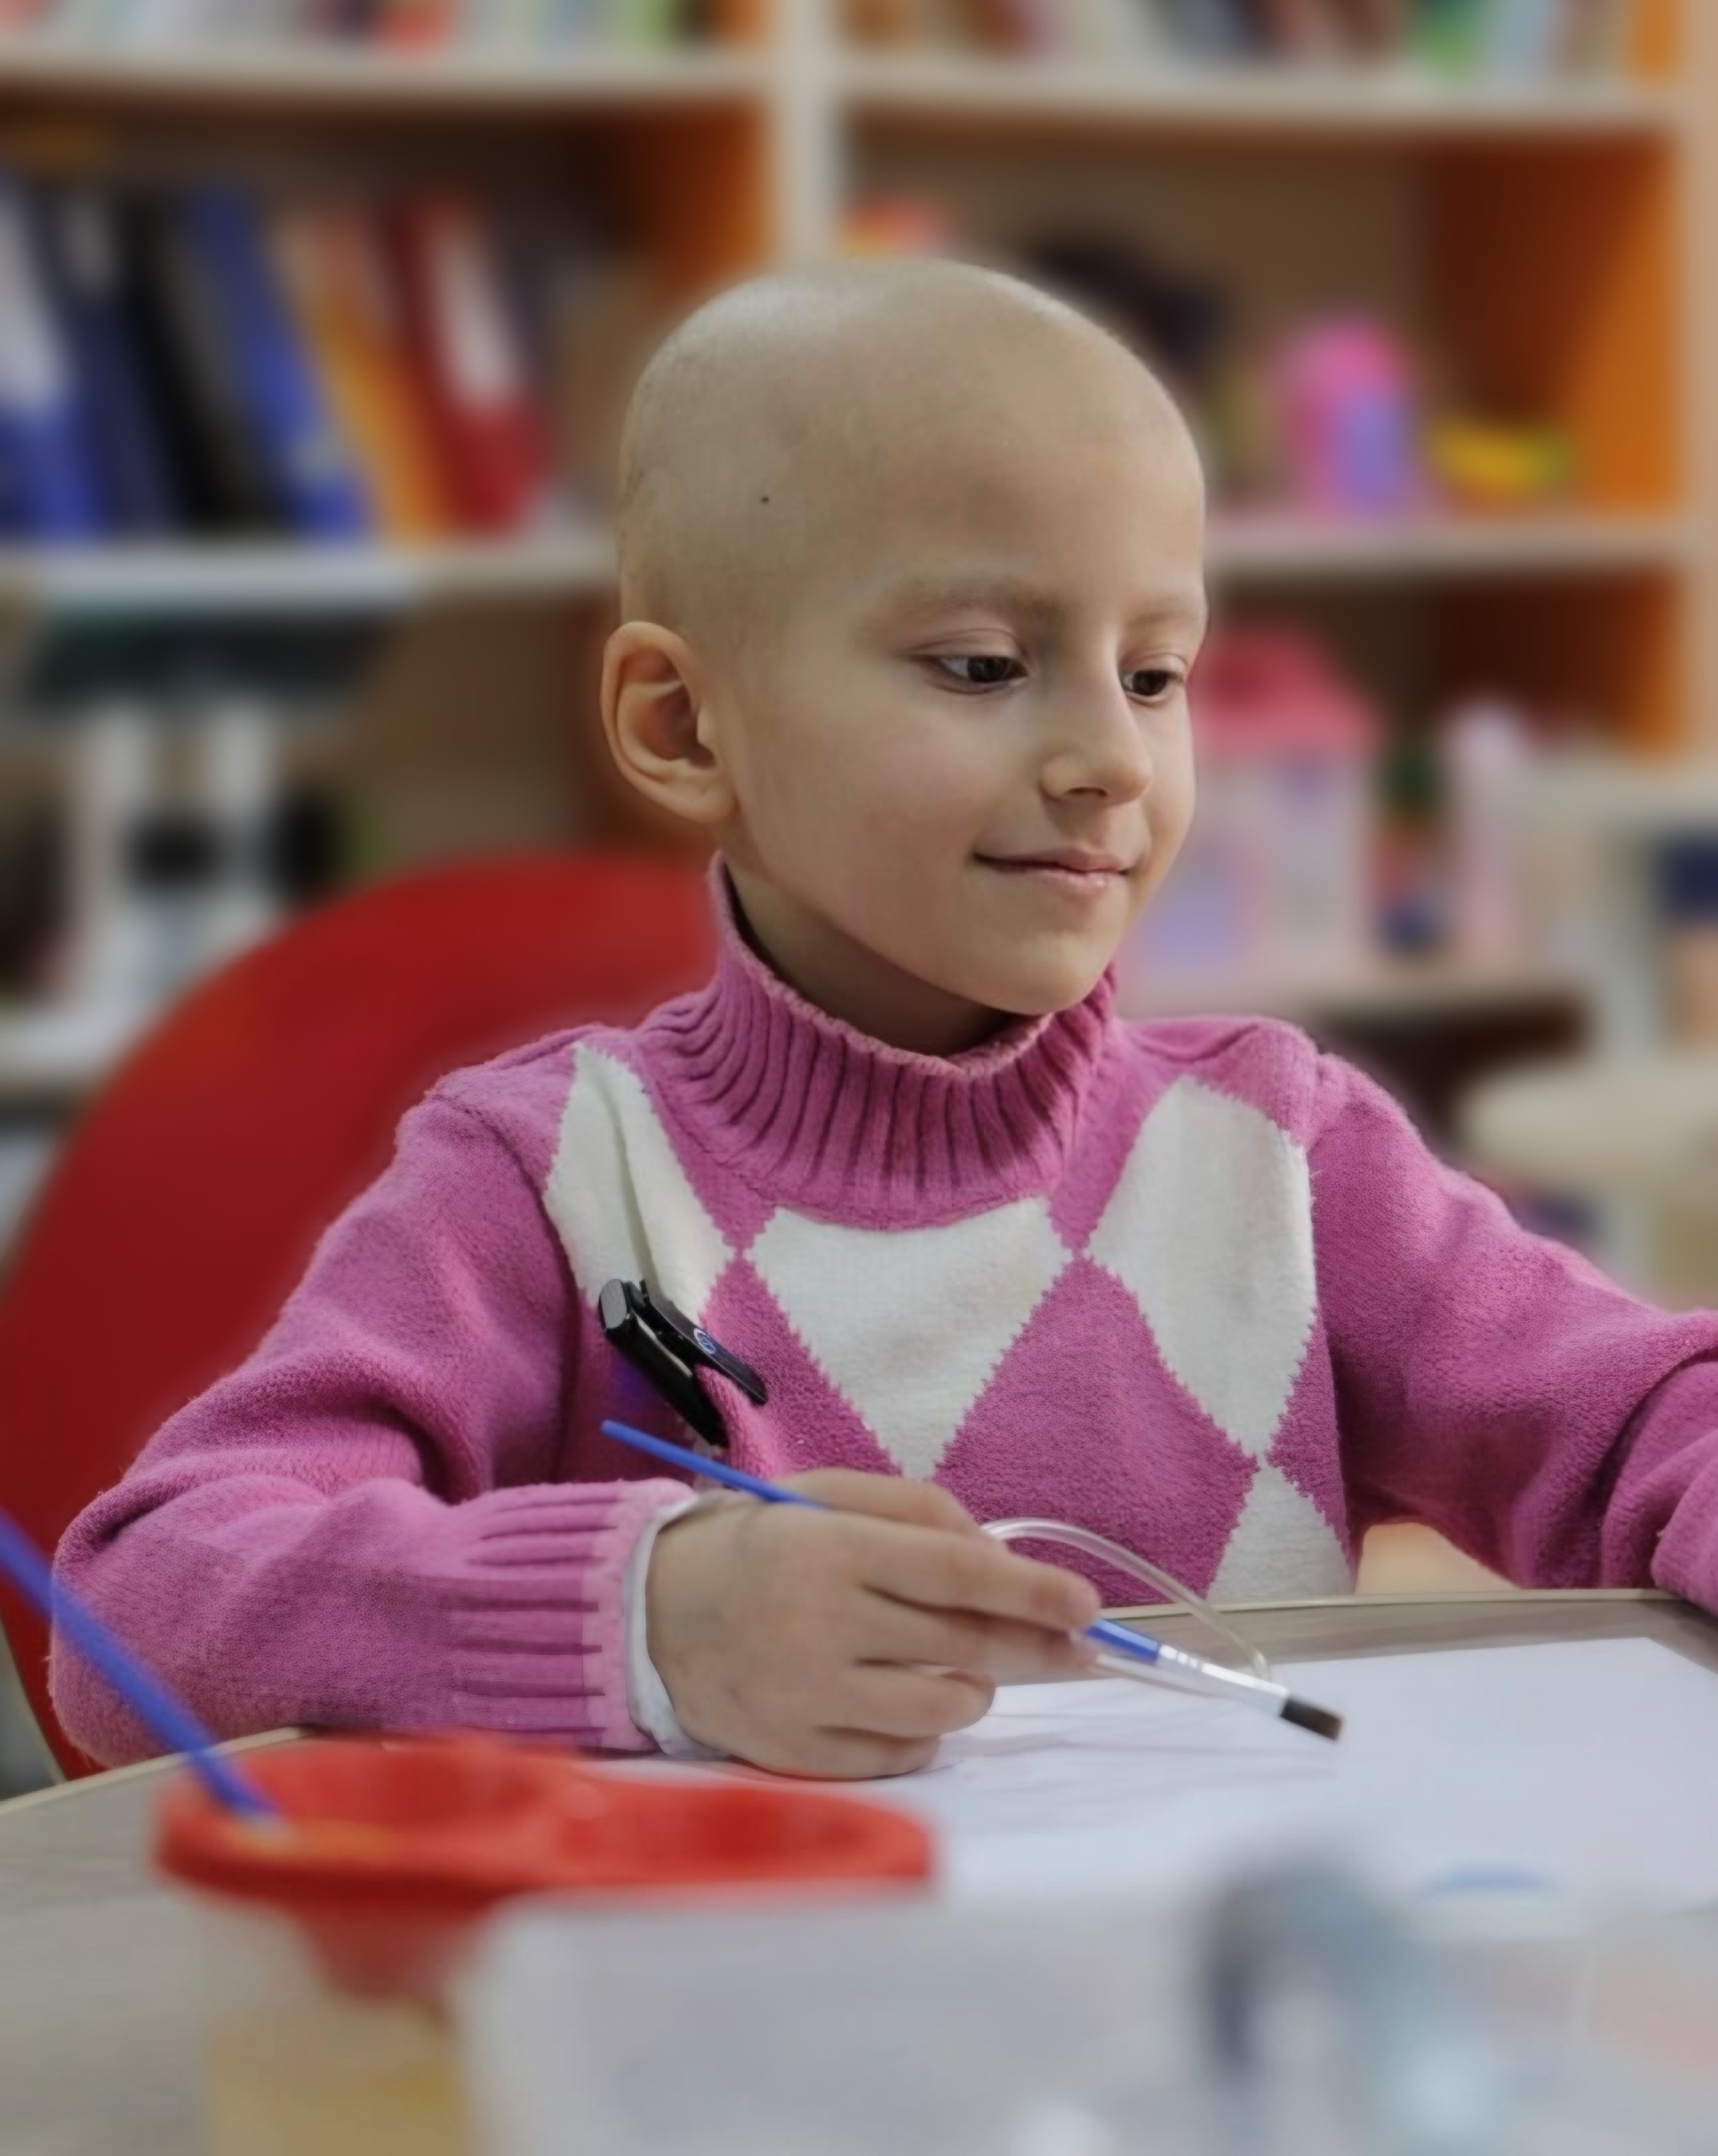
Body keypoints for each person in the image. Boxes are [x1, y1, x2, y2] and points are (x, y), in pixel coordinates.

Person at [53, 260, 1718, 1778]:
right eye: (984, 665)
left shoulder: (1282, 1152)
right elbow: (142, 1608)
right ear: (682, 724)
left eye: (1155, 673)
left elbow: (1651, 1419)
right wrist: (650, 1619)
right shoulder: (546, 1180)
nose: (1113, 759)